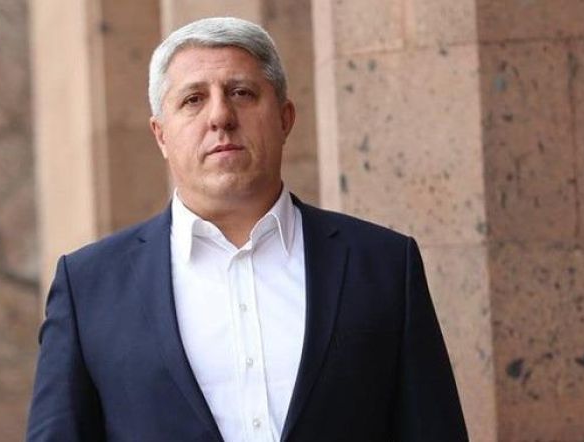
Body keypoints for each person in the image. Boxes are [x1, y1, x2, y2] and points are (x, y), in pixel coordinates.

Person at [26, 16, 468, 442]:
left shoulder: (384, 266)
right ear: (161, 135)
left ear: (285, 118)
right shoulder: (89, 288)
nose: (220, 116)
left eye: (241, 92)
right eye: (193, 99)